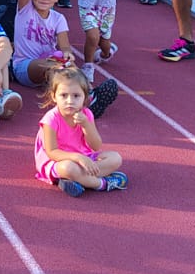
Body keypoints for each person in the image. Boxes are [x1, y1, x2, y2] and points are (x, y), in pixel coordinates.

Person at [34, 67, 128, 197]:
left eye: (76, 96)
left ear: (85, 98)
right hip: (58, 161)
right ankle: (101, 184)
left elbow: (96, 146)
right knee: (68, 168)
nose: (70, 101)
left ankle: (78, 180)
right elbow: (52, 152)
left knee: (115, 158)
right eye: (63, 95)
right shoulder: (51, 119)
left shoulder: (87, 114)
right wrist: (78, 158)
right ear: (54, 96)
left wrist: (86, 125)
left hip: (84, 157)